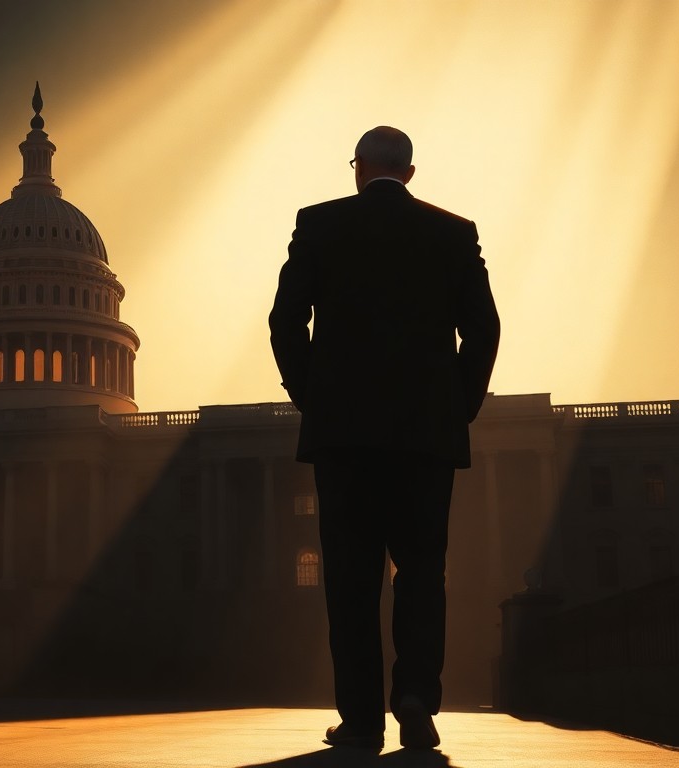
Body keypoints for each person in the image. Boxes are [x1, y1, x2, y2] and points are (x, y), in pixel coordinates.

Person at [268, 126, 500, 751]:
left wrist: (312, 397)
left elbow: (285, 320)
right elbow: (484, 328)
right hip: (425, 436)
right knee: (422, 572)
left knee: (350, 579)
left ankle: (362, 718)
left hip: (344, 436)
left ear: (359, 168)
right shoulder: (454, 233)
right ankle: (417, 701)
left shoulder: (319, 224)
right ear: (410, 173)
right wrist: (456, 406)